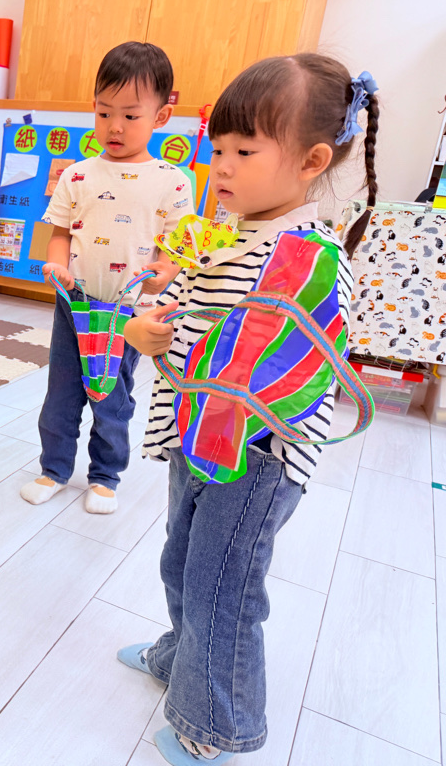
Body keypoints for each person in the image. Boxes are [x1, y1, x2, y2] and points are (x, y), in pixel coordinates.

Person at [119, 54, 378, 765]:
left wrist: (181, 344)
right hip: (199, 434)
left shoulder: (308, 252)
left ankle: (216, 725)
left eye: (244, 151)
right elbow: (184, 305)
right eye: (218, 150)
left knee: (223, 586)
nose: (222, 167)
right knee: (182, 561)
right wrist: (149, 326)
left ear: (311, 161)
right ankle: (181, 658)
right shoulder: (226, 232)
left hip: (256, 457)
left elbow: (289, 366)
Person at [21, 42, 194, 514]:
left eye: (131, 115)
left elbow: (175, 249)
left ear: (161, 116)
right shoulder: (77, 175)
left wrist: (165, 272)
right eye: (104, 112)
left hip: (127, 310)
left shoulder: (173, 180)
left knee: (112, 397)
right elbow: (60, 235)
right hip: (73, 302)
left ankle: (105, 476)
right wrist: (57, 265)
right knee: (61, 393)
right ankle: (54, 468)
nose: (114, 126)